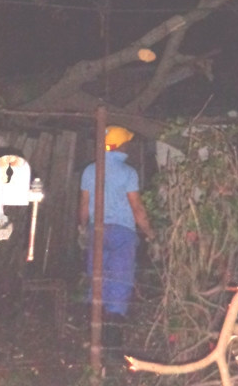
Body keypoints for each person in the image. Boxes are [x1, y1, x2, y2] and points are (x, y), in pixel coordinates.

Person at [79, 125, 154, 351]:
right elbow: (137, 208)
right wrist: (150, 233)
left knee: (98, 279)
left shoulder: (90, 171)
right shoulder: (128, 173)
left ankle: (94, 338)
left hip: (96, 231)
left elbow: (83, 206)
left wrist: (82, 229)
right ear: (121, 145)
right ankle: (112, 344)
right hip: (122, 233)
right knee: (119, 283)